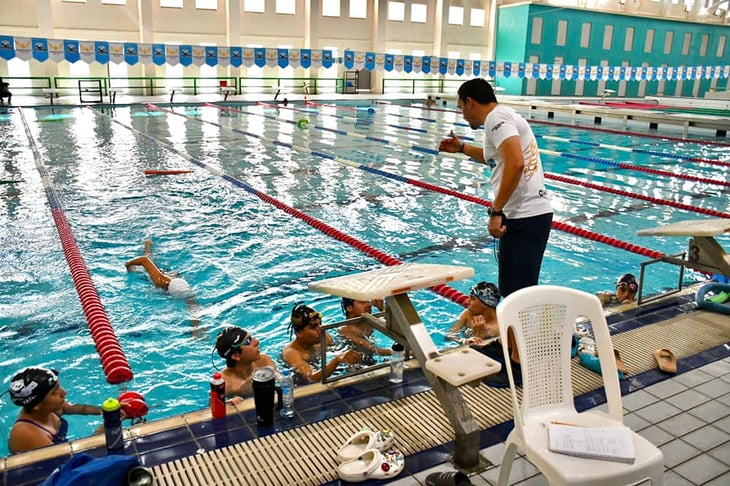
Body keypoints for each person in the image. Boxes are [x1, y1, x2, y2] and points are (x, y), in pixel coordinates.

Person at [439, 78, 553, 387]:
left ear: (470, 102)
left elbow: (515, 163)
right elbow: (498, 159)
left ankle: (518, 365)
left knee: (517, 295)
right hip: (530, 216)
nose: (463, 115)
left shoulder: (497, 118)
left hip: (525, 217)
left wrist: (496, 210)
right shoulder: (503, 118)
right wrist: (463, 148)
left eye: (461, 107)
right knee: (515, 291)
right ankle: (513, 352)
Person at [6, 367, 103, 454]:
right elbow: (68, 459)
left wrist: (106, 411)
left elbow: (82, 409)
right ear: (36, 404)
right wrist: (101, 431)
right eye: (55, 391)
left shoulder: (50, 408)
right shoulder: (27, 433)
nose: (64, 393)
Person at [125, 238, 201, 331]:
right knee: (152, 262)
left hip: (175, 283)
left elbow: (144, 260)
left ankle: (148, 245)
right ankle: (147, 245)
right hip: (172, 281)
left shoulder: (166, 284)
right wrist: (128, 265)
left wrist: (127, 265)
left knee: (155, 267)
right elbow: (144, 259)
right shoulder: (160, 281)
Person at [282, 304, 362, 384]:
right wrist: (336, 361)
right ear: (299, 333)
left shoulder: (324, 337)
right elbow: (311, 377)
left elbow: (337, 351)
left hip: (320, 369)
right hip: (301, 381)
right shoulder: (291, 353)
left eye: (320, 324)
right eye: (314, 327)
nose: (320, 329)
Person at [214, 326, 276, 404]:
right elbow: (212, 408)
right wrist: (228, 404)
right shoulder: (224, 383)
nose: (257, 341)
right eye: (248, 341)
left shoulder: (264, 362)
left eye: (252, 337)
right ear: (236, 355)